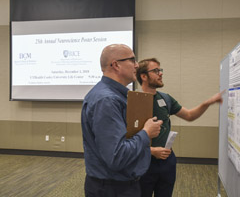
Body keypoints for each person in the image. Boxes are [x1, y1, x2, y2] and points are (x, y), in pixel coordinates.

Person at [81, 45, 163, 197]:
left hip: (115, 185)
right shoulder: (107, 100)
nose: (137, 65)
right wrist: (146, 133)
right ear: (116, 65)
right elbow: (117, 156)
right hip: (112, 189)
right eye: (132, 60)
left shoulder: (113, 96)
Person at [136, 58, 224, 197]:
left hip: (167, 161)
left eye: (161, 70)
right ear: (143, 76)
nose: (161, 73)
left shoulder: (166, 98)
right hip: (143, 162)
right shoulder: (133, 100)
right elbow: (126, 137)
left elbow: (189, 115)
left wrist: (207, 103)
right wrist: (151, 150)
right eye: (156, 71)